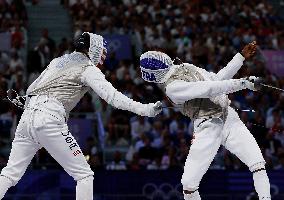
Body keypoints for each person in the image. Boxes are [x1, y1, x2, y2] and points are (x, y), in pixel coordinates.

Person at [0, 32, 162, 200]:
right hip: (49, 118)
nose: (104, 55)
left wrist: (25, 102)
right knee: (84, 175)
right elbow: (113, 97)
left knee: (10, 173)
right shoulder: (87, 68)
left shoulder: (58, 61)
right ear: (94, 49)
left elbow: (31, 90)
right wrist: (145, 109)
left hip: (27, 118)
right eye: (103, 51)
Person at [139, 41, 271, 200]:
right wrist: (243, 81)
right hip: (217, 122)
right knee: (189, 184)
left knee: (257, 165)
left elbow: (213, 82)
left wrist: (240, 58)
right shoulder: (180, 75)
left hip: (217, 122)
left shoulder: (172, 85)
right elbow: (211, 87)